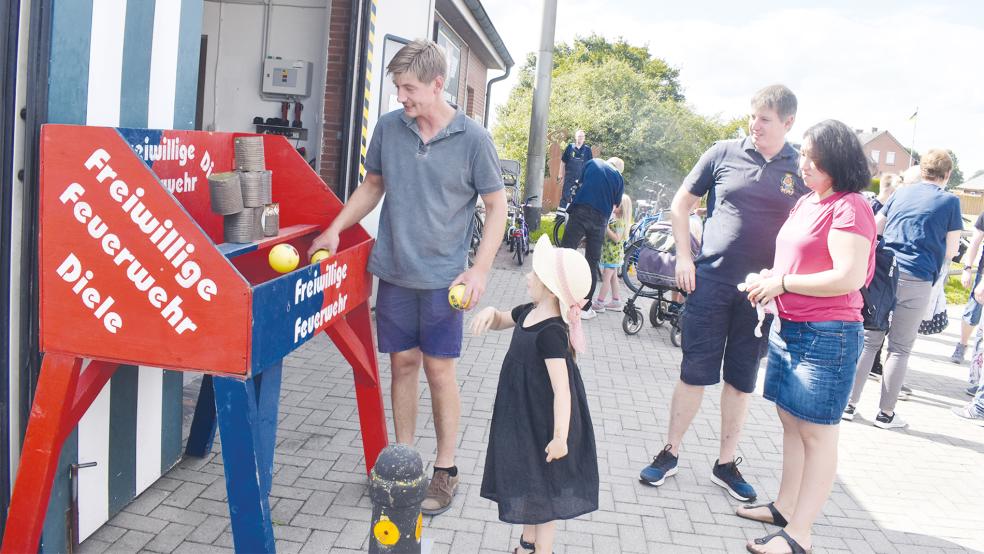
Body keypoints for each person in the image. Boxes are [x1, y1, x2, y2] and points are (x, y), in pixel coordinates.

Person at [308, 39, 507, 515]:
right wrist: (335, 229)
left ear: (438, 85)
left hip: (444, 280)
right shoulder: (390, 129)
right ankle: (405, 461)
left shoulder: (473, 139)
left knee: (439, 370)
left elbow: (497, 205)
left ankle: (445, 468)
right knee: (402, 365)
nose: (401, 97)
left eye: (409, 88)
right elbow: (373, 184)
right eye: (398, 87)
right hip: (394, 271)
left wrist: (479, 269)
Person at [639, 84, 808, 502]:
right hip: (710, 282)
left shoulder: (800, 167)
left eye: (765, 119)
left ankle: (725, 463)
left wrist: (786, 281)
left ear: (788, 123)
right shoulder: (722, 153)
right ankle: (670, 452)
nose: (755, 125)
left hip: (760, 294)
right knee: (694, 371)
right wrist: (683, 257)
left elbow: (811, 228)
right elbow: (681, 205)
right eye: (752, 116)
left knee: (740, 381)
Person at [737, 120, 876, 554]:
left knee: (817, 434)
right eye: (803, 155)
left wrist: (784, 284)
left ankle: (800, 534)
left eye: (814, 158)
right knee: (791, 423)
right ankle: (784, 508)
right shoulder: (807, 202)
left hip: (827, 334)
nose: (804, 164)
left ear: (837, 161)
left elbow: (848, 277)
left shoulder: (850, 206)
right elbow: (797, 265)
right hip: (790, 327)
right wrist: (771, 279)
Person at [473, 235, 599, 554]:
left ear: (550, 287)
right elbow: (505, 319)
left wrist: (560, 438)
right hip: (522, 415)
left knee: (544, 489)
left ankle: (543, 550)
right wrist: (491, 313)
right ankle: (527, 545)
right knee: (532, 479)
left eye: (535, 274)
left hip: (544, 422)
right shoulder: (530, 311)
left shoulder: (552, 333)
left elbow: (563, 391)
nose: (528, 277)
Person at [844, 150, 962, 428]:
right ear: (946, 175)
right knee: (899, 348)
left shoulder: (901, 193)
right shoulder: (950, 201)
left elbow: (875, 227)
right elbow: (954, 249)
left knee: (870, 341)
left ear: (923, 171)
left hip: (886, 274)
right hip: (918, 277)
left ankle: (849, 404)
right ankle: (886, 413)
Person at [560, 157, 625, 320]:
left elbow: (579, 184)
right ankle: (584, 308)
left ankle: (555, 300)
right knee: (591, 263)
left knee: (564, 254)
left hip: (580, 212)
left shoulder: (593, 162)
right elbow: (615, 205)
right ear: (618, 168)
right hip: (600, 220)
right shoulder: (618, 177)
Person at [951, 211, 984, 367]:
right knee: (973, 312)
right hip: (982, 275)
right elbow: (975, 242)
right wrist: (967, 268)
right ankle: (962, 344)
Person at [593, 194, 632, 312]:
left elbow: (617, 238)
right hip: (611, 255)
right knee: (613, 278)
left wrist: (606, 228)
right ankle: (616, 301)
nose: (613, 205)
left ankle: (599, 302)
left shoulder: (620, 223)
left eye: (617, 204)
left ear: (623, 208)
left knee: (606, 279)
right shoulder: (615, 220)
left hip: (612, 256)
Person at [559, 129, 592, 207]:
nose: (580, 138)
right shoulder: (570, 147)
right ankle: (560, 216)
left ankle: (576, 216)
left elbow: (590, 164)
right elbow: (563, 161)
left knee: (580, 197)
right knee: (565, 196)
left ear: (584, 138)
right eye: (579, 136)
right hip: (569, 177)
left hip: (582, 179)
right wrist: (560, 173)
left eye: (582, 136)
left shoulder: (587, 150)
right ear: (575, 137)